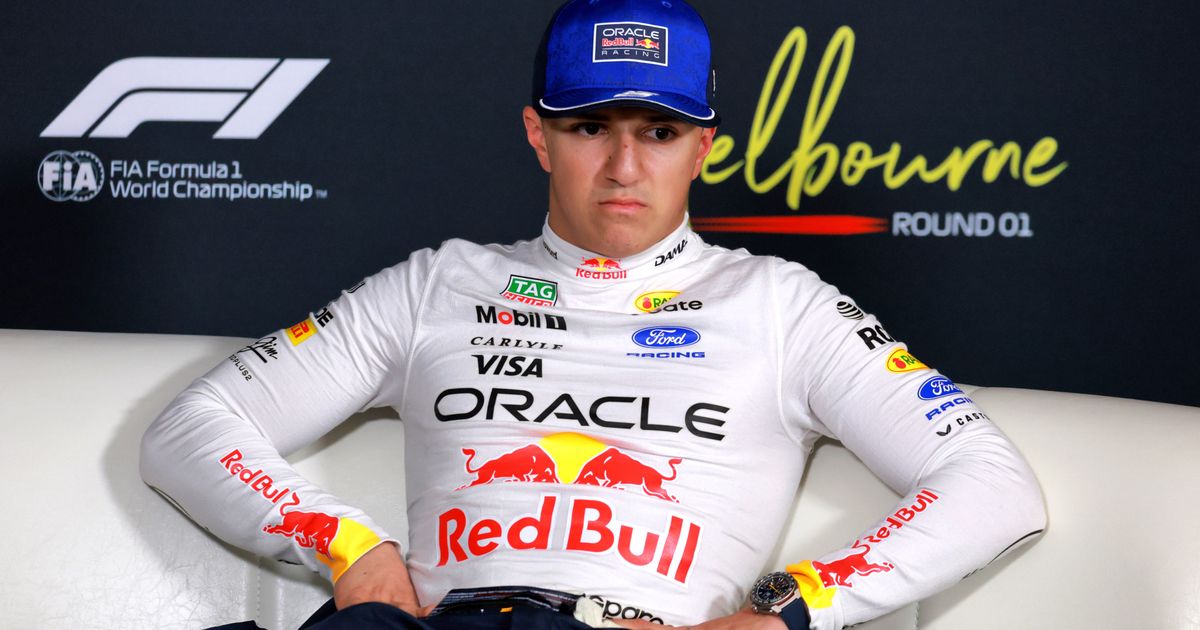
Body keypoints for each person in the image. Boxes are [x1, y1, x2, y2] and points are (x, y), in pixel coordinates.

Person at [140, 1, 1046, 628]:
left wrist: (789, 608)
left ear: (702, 148)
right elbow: (191, 427)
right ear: (538, 135)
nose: (623, 167)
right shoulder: (436, 283)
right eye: (589, 128)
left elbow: (992, 485)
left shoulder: (780, 302)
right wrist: (348, 546)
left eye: (659, 133)